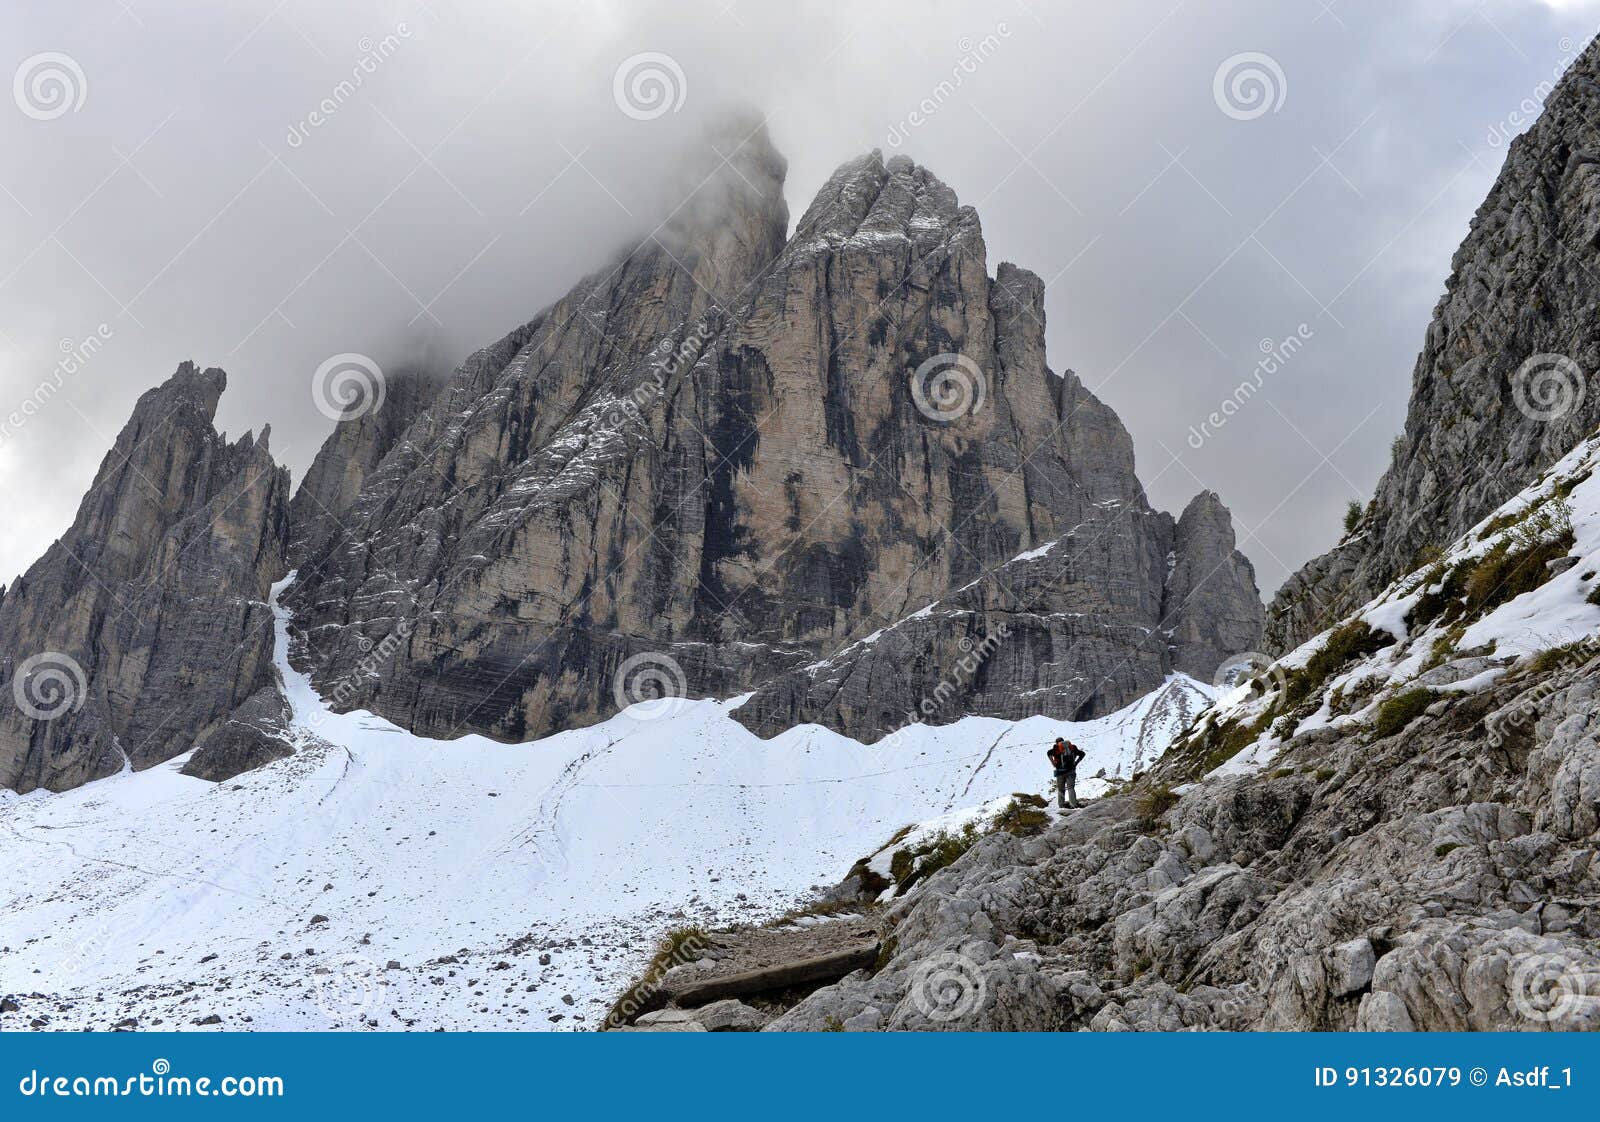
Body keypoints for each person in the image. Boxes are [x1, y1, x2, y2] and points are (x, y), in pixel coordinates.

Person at [1047, 736, 1086, 809]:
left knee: (1061, 789)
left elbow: (1048, 753)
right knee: (1071, 788)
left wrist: (1053, 763)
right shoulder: (1072, 747)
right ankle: (1073, 804)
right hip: (1071, 771)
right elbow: (1082, 754)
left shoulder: (1056, 748)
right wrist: (1076, 763)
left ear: (1057, 743)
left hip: (1060, 772)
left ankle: (1061, 805)